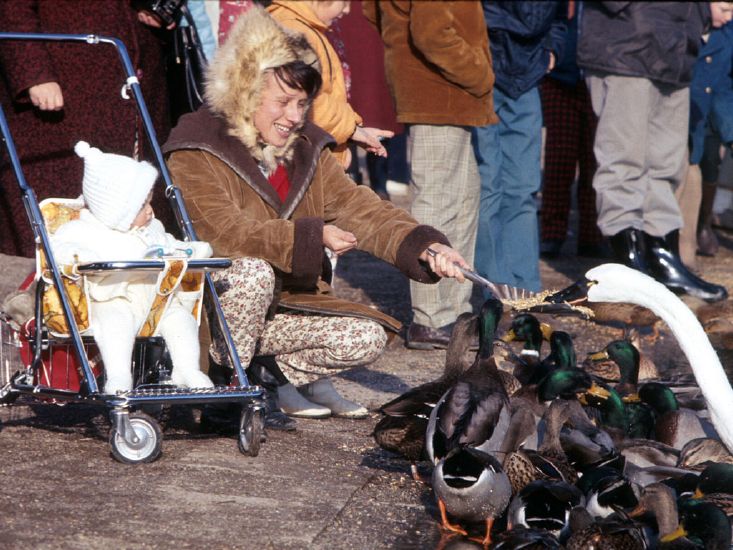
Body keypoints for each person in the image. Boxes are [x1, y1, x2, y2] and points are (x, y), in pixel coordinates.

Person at [162, 7, 469, 423]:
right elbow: (224, 234)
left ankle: (261, 376)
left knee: (366, 336)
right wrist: (312, 236)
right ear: (245, 91)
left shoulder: (307, 149)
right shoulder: (197, 147)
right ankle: (222, 383)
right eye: (283, 102)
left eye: (302, 104)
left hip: (281, 308)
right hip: (211, 309)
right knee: (252, 271)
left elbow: (361, 208)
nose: (294, 116)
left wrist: (425, 245)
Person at [577, 1, 732, 302]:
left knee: (667, 164)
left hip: (677, 51)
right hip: (626, 45)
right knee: (624, 159)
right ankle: (629, 264)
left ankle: (663, 257)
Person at [364, 0, 497, 350]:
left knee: (463, 199)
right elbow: (431, 33)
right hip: (439, 91)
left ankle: (453, 312)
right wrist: (481, 72)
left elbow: (375, 13)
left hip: (443, 92)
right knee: (440, 201)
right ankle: (432, 317)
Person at [0, 0, 172, 258]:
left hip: (127, 75)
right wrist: (33, 73)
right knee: (51, 221)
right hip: (61, 90)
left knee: (140, 218)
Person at [50, 142, 214, 394]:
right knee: (116, 324)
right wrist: (79, 256)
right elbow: (59, 246)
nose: (150, 211)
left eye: (150, 202)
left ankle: (188, 368)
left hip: (156, 302)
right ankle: (118, 376)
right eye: (141, 206)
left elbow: (168, 245)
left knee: (182, 320)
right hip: (115, 297)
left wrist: (189, 251)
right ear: (115, 210)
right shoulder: (86, 230)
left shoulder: (152, 228)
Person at [473, 1, 567, 293]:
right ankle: (497, 288)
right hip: (482, 67)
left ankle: (526, 288)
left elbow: (560, 13)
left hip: (527, 73)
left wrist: (553, 48)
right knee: (488, 186)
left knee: (523, 186)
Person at [268, 1, 392, 169]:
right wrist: (351, 130)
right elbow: (308, 103)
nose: (347, 10)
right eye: (345, 2)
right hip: (302, 164)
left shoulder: (305, 28)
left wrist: (353, 131)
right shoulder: (295, 30)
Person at [539, 1, 606, 260]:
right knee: (559, 158)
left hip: (597, 76)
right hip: (560, 79)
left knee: (595, 160)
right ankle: (552, 233)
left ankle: (592, 235)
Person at [679, 20, 733, 266]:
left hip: (713, 116)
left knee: (709, 165)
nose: (729, 13)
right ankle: (683, 249)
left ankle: (703, 221)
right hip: (683, 115)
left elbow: (725, 86)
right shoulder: (685, 25)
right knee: (686, 175)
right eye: (724, 7)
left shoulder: (727, 34)